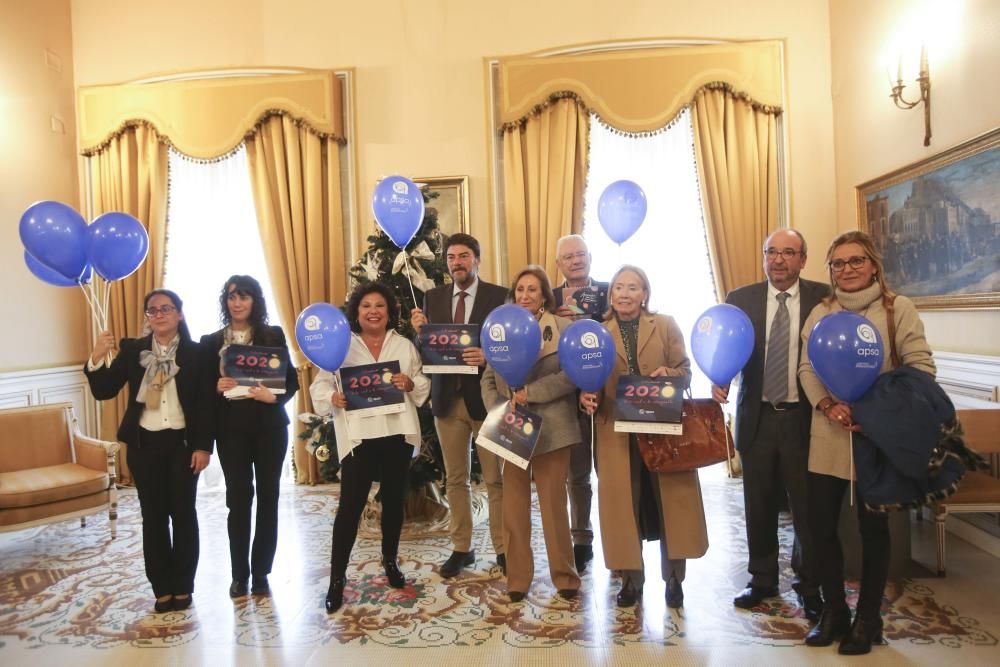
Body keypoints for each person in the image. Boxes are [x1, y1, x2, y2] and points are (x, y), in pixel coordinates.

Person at [798, 231, 935, 655]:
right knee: (821, 530)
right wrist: (826, 404)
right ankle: (834, 612)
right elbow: (807, 367)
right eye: (838, 263)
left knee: (873, 531)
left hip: (877, 440)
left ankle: (868, 618)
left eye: (856, 261)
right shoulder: (821, 311)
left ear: (873, 264)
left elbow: (921, 369)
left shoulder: (899, 310)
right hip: (828, 435)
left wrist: (874, 410)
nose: (847, 270)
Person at [711, 229, 829, 621]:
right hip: (757, 418)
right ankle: (761, 579)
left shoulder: (823, 298)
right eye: (771, 252)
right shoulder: (740, 300)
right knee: (757, 504)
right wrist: (720, 376)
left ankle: (809, 585)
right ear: (763, 257)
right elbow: (725, 347)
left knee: (806, 507)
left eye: (788, 253)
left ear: (803, 259)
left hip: (803, 418)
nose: (778, 260)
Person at [580, 265, 707, 609]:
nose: (624, 293)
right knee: (623, 506)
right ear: (611, 295)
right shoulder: (598, 332)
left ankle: (674, 580)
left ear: (644, 294)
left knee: (672, 504)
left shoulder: (665, 325)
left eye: (632, 287)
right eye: (619, 287)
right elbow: (585, 378)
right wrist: (585, 396)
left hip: (662, 428)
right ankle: (631, 579)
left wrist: (671, 373)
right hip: (615, 432)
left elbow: (685, 369)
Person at [84, 289, 209, 613]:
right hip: (144, 445)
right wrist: (97, 357)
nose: (159, 314)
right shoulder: (133, 350)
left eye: (166, 308)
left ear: (179, 315)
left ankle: (183, 586)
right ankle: (162, 588)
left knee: (183, 516)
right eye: (152, 310)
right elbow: (103, 389)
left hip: (183, 445)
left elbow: (204, 406)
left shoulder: (196, 354)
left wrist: (202, 447)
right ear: (148, 318)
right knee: (152, 518)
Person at [312, 282, 430, 613]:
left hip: (397, 433)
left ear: (389, 311)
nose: (373, 311)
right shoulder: (341, 347)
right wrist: (331, 398)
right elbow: (321, 384)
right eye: (366, 306)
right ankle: (338, 578)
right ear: (356, 311)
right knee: (349, 508)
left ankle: (390, 561)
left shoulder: (404, 346)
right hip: (359, 437)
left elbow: (421, 384)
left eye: (380, 305)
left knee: (393, 503)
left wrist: (410, 383)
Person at [410, 233, 508, 577]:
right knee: (456, 479)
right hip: (446, 401)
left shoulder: (499, 296)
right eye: (451, 257)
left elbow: (508, 343)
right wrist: (418, 332)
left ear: (477, 260)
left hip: (485, 397)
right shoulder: (432, 298)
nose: (457, 263)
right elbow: (428, 351)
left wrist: (489, 355)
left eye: (464, 256)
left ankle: (503, 549)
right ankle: (462, 548)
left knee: (496, 480)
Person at [481, 265, 581, 602]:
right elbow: (486, 379)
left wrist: (531, 393)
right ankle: (518, 579)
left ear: (544, 296)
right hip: (510, 430)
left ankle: (565, 577)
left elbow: (571, 376)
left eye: (532, 290)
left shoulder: (563, 328)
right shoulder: (500, 327)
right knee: (514, 507)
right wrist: (500, 407)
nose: (525, 295)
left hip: (553, 429)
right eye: (520, 289)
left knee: (554, 506)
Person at [198, 275, 299, 599]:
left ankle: (261, 573)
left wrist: (274, 397)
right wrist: (215, 386)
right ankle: (239, 574)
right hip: (231, 432)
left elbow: (291, 380)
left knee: (269, 499)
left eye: (244, 296)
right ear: (225, 302)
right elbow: (199, 390)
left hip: (270, 428)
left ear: (255, 300)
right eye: (231, 297)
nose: (237, 302)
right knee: (238, 502)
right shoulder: (211, 342)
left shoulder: (272, 335)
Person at [551, 234, 608, 573]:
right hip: (565, 395)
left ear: (590, 258)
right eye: (568, 257)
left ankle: (621, 537)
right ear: (559, 264)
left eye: (580, 255)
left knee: (613, 472)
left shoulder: (609, 292)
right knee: (578, 473)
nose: (575, 260)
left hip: (608, 392)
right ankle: (581, 539)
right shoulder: (552, 299)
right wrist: (559, 321)